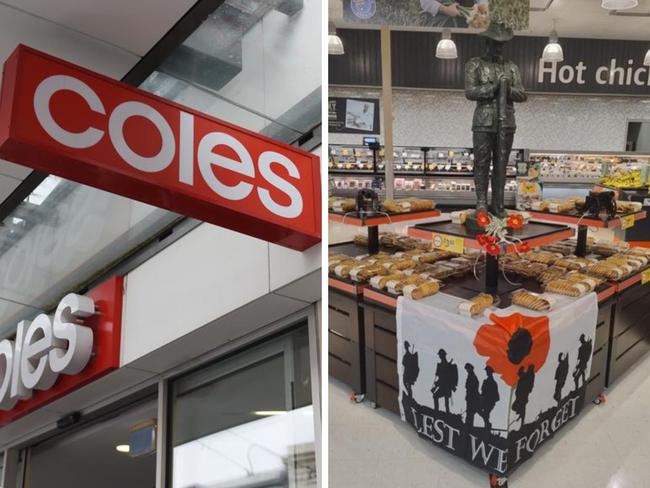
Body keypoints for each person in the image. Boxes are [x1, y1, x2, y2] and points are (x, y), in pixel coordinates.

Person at [465, 22, 527, 218]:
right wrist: (492, 89)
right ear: (487, 42)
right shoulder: (474, 64)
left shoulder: (511, 67)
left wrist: (507, 89)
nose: (499, 47)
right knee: (482, 163)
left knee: (501, 163)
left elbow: (522, 94)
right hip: (483, 121)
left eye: (502, 44)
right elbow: (470, 91)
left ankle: (498, 203)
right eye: (495, 43)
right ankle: (481, 203)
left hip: (507, 122)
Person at [420, 0, 489, 28]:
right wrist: (446, 9)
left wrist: (480, 9)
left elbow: (482, 2)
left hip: (465, 23)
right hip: (438, 24)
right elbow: (425, 1)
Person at [480, 366, 500, 431]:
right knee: (485, 414)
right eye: (487, 371)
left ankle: (487, 425)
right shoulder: (489, 382)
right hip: (486, 401)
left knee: (485, 414)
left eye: (487, 371)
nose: (487, 373)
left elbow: (496, 395)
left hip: (488, 402)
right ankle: (487, 424)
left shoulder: (492, 382)